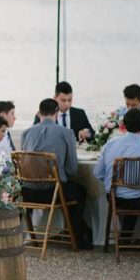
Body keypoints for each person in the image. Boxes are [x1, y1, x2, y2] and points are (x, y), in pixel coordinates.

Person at [21, 98, 91, 249]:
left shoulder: (26, 133)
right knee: (80, 192)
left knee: (70, 189)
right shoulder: (66, 133)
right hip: (52, 193)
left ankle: (40, 234)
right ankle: (78, 237)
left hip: (27, 192)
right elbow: (72, 169)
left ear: (39, 113)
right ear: (57, 113)